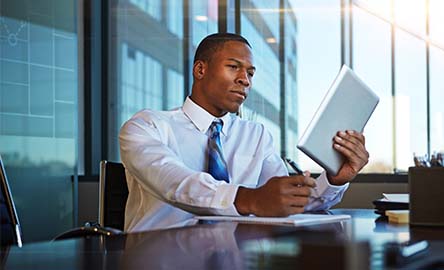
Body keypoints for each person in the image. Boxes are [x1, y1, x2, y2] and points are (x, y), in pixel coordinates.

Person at [119, 33, 369, 232]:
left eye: (250, 73)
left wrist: (336, 178)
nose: (245, 80)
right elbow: (175, 182)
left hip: (237, 255)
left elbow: (287, 201)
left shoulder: (257, 135)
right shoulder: (146, 126)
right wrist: (250, 199)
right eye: (233, 67)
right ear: (200, 70)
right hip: (157, 257)